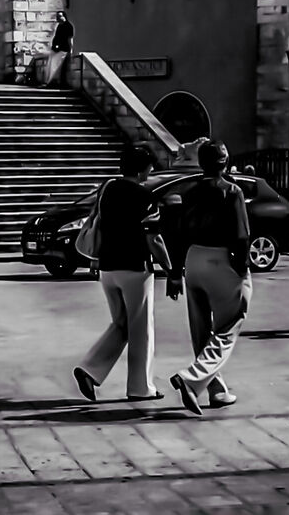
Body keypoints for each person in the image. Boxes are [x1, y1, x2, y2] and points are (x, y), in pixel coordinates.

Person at [72, 145, 175, 403]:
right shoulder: (145, 197)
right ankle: (141, 387)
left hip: (107, 266)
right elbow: (155, 239)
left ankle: (89, 369)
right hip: (135, 267)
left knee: (121, 324)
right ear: (142, 169)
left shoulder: (108, 189)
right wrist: (171, 268)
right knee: (141, 329)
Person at [166, 140, 251, 414]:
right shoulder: (232, 191)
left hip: (193, 258)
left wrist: (175, 272)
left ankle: (217, 390)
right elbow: (241, 235)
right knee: (228, 325)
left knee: (201, 328)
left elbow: (178, 234)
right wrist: (242, 266)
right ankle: (191, 379)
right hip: (221, 257)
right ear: (225, 162)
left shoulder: (189, 192)